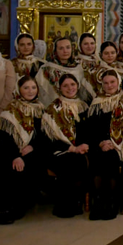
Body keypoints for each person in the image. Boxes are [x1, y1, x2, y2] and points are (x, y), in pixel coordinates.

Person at [86, 70, 123, 220]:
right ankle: (99, 202)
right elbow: (92, 129)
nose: (109, 85)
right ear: (102, 85)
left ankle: (111, 202)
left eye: (112, 82)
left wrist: (117, 144)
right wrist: (101, 143)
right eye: (106, 83)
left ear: (118, 82)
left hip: (122, 145)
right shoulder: (96, 103)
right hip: (101, 144)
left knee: (112, 158)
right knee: (101, 158)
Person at [0, 76, 45, 224]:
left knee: (33, 163)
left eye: (33, 88)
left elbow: (42, 136)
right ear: (19, 90)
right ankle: (5, 208)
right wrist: (16, 156)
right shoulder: (9, 111)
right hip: (11, 151)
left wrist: (32, 146)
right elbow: (4, 138)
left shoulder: (40, 109)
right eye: (26, 88)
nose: (30, 91)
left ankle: (21, 206)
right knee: (10, 167)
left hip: (32, 151)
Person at [42, 74, 90, 218]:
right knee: (70, 161)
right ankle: (65, 204)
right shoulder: (53, 108)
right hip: (58, 150)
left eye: (72, 84)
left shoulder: (83, 106)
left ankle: (75, 201)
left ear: (78, 86)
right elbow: (49, 139)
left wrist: (83, 145)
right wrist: (72, 149)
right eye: (65, 86)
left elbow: (88, 131)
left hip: (80, 150)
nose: (70, 88)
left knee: (78, 160)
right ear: (59, 88)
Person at [37, 37, 92, 106]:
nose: (65, 51)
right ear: (55, 51)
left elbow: (84, 92)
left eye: (68, 47)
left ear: (72, 49)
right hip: (53, 108)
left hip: (77, 107)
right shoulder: (46, 69)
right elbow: (42, 91)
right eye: (61, 48)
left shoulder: (79, 68)